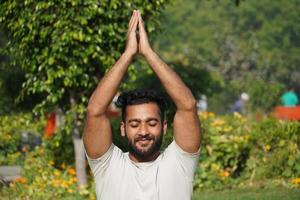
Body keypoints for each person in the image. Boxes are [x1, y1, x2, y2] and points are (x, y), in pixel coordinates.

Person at [83, 10, 201, 200]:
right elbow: (94, 111)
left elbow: (188, 105)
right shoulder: (108, 165)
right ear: (123, 128)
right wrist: (128, 54)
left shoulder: (180, 163)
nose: (143, 131)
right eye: (134, 124)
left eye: (152, 123)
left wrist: (148, 53)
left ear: (164, 126)